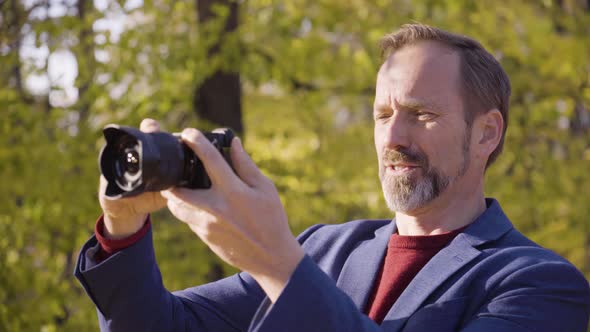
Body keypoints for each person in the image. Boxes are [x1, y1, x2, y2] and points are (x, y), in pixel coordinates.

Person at [75, 24, 590, 331]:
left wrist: (277, 264)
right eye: (383, 115)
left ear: (486, 134)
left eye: (421, 114)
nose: (394, 138)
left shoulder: (539, 284)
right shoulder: (324, 249)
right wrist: (121, 228)